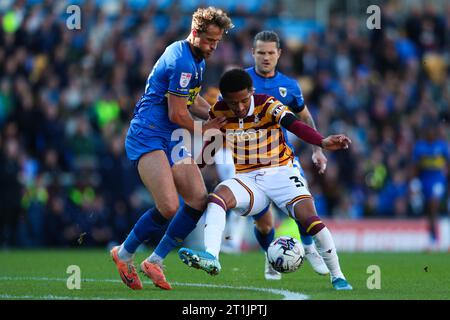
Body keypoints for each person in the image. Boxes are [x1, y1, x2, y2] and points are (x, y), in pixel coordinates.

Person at [178, 68, 353, 291]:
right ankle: (212, 255)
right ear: (224, 99)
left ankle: (337, 276)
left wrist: (322, 142)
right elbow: (211, 146)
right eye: (233, 103)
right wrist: (193, 167)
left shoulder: (267, 104)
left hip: (281, 172)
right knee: (218, 198)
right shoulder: (219, 110)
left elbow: (294, 124)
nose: (239, 108)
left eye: (243, 100)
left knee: (310, 220)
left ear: (251, 91)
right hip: (248, 177)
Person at [110, 7, 233, 290]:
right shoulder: (183, 62)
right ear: (195, 32)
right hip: (149, 133)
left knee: (198, 199)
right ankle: (124, 253)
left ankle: (154, 260)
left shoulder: (194, 58)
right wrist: (206, 129)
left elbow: (191, 99)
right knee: (168, 205)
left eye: (217, 41)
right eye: (210, 40)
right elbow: (178, 114)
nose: (214, 47)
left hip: (171, 135)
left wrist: (217, 114)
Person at [244, 30, 329, 279]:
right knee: (264, 223)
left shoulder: (289, 86)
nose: (266, 57)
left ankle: (311, 248)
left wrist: (317, 149)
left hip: (281, 160)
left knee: (304, 205)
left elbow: (305, 117)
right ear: (253, 53)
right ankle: (270, 259)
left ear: (279, 54)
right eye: (261, 52)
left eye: (271, 53)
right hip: (250, 165)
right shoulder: (241, 81)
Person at [412, 119, 449, 251]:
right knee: (429, 210)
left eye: (432, 131)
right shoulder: (420, 147)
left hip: (438, 179)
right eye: (428, 131)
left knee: (434, 204)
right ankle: (433, 238)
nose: (430, 133)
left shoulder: (442, 145)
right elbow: (415, 166)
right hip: (425, 180)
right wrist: (414, 182)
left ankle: (437, 239)